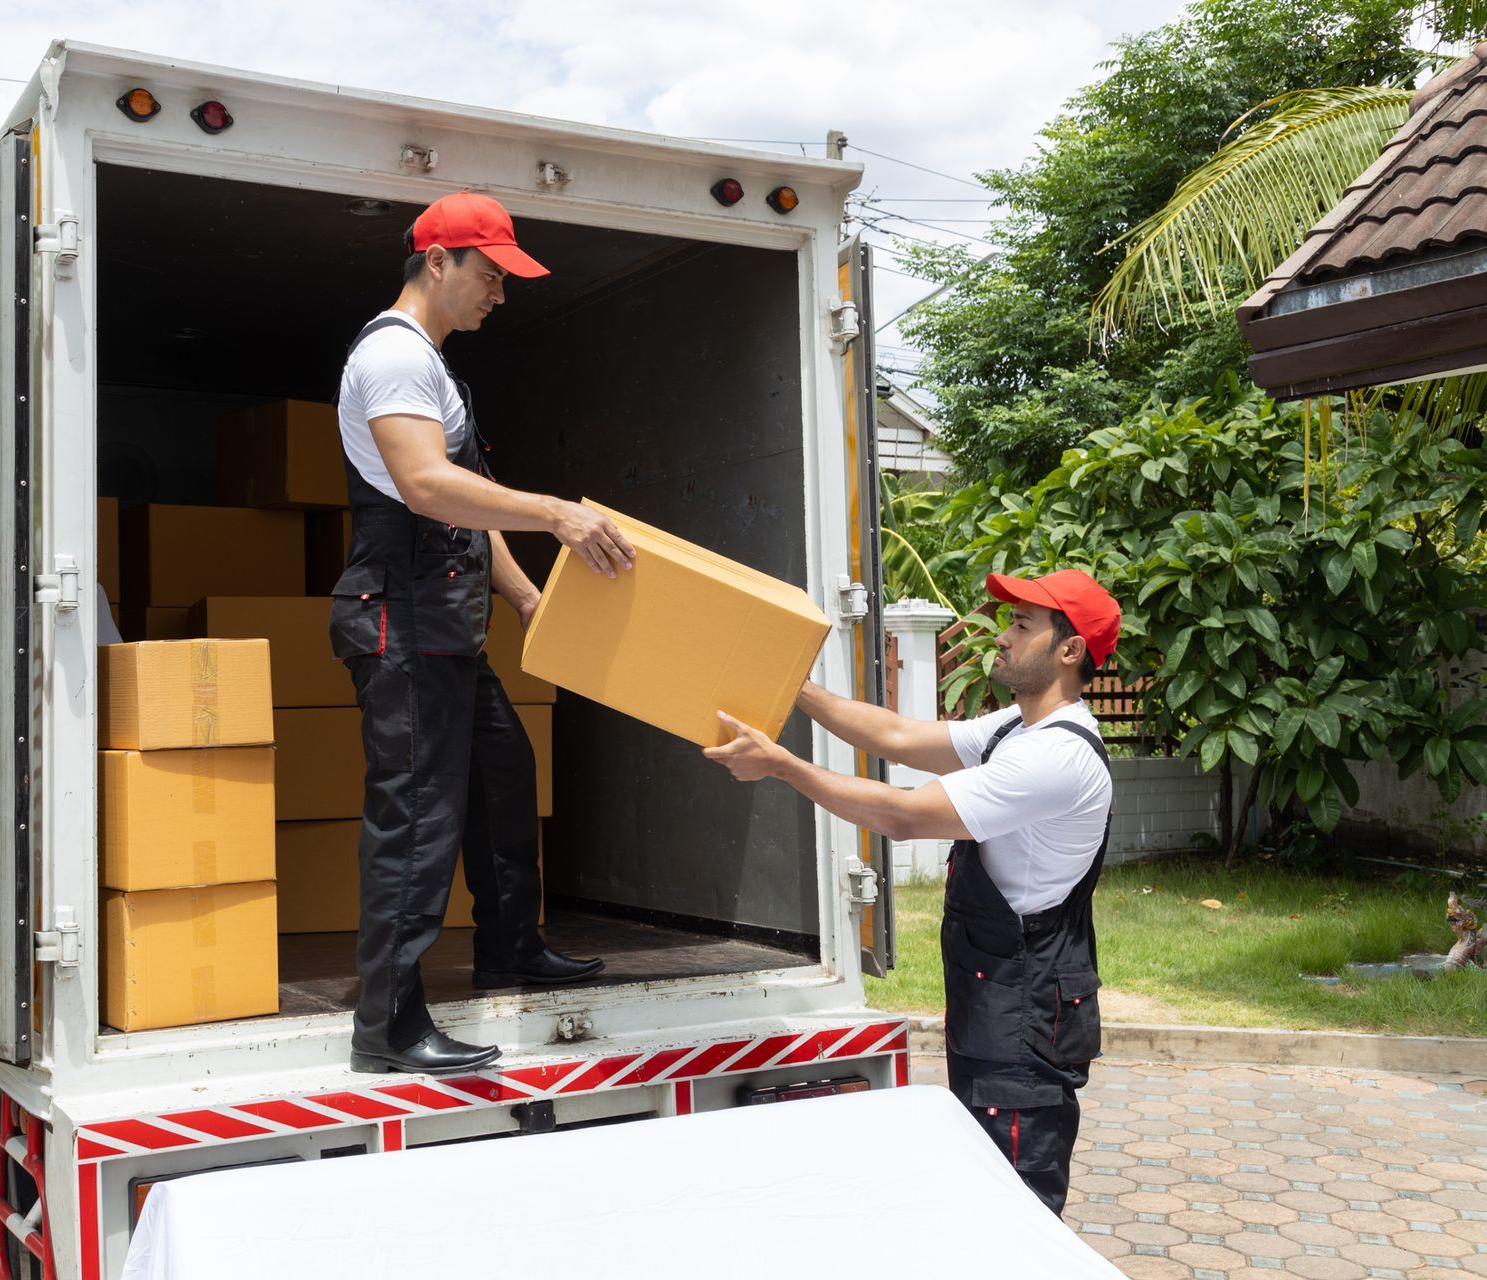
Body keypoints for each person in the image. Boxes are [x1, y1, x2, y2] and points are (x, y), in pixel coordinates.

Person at [330, 191, 636, 1076]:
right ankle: (387, 1028)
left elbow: (471, 510)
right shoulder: (393, 356)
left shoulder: (434, 366)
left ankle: (508, 945)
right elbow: (426, 487)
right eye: (491, 275)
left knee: (504, 773)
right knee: (417, 819)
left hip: (446, 616)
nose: (500, 295)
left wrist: (530, 600)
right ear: (438, 262)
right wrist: (557, 513)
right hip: (402, 615)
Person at [702, 569, 1120, 1215]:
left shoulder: (1056, 759)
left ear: (1069, 651)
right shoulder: (1017, 729)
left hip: (1024, 1025)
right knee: (984, 1200)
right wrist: (791, 684)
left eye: (1022, 625)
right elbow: (896, 737)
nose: (1002, 638)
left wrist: (782, 765)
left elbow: (903, 815)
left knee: (1016, 1214)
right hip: (999, 1007)